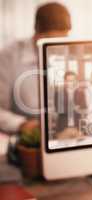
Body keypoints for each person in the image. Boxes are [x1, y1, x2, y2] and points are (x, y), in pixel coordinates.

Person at [0, 2, 71, 134]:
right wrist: (22, 124)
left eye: (62, 40)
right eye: (50, 40)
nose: (57, 47)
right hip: (24, 139)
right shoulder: (8, 57)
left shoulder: (66, 53)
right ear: (37, 32)